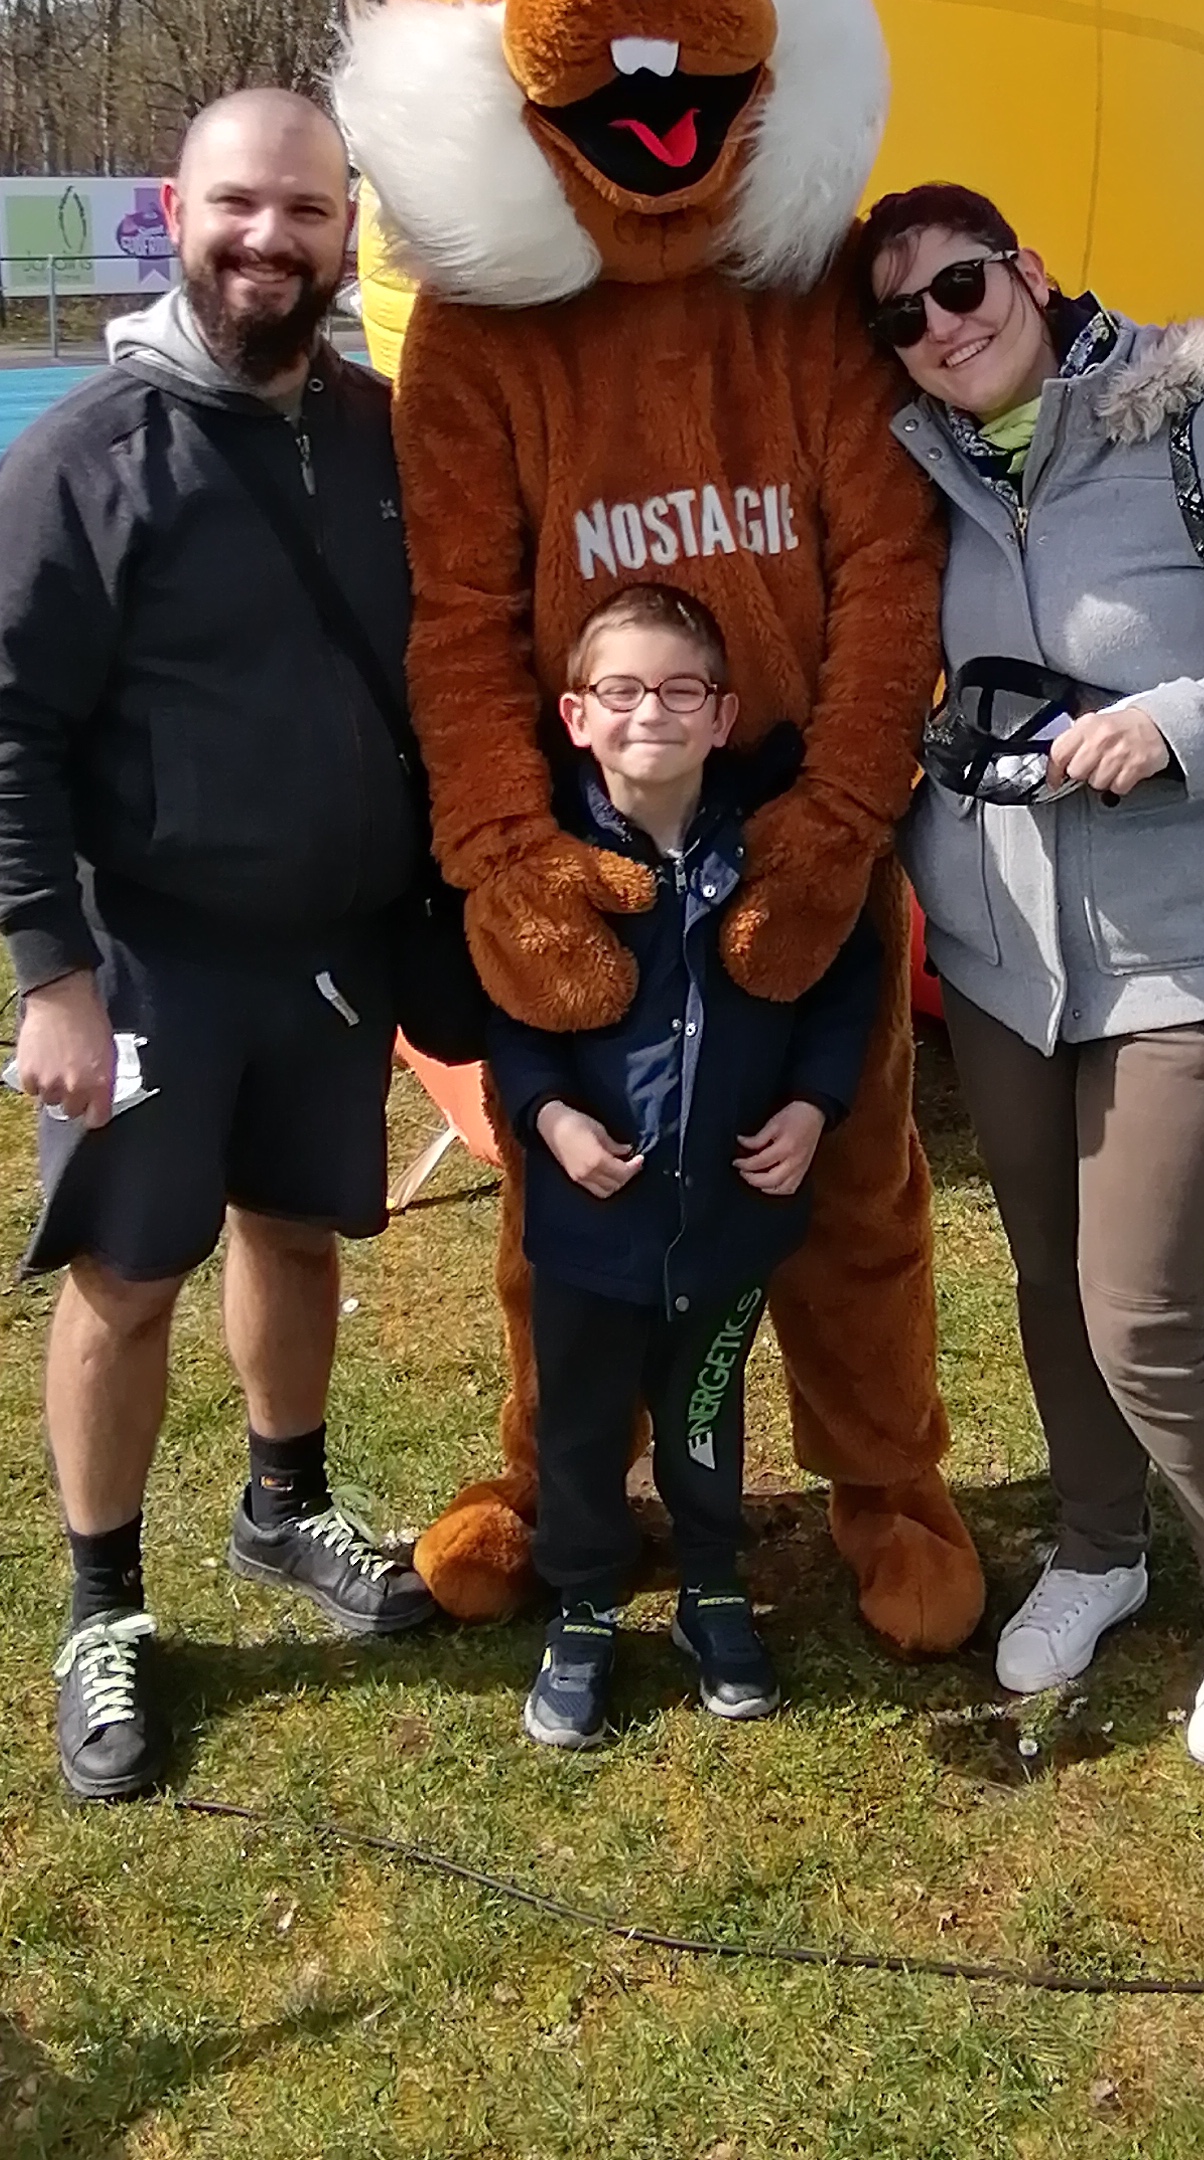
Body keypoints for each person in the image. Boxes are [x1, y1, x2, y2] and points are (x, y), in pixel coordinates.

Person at [859, 183, 1204, 1769]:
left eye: (961, 284)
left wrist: (1176, 725)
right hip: (1003, 965)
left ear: (1028, 271)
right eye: (900, 316)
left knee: (1147, 1317)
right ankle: (1101, 1547)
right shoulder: (920, 474)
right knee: (1050, 1283)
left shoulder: (1195, 428)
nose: (940, 327)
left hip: (1198, 960)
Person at [0, 87, 436, 1805]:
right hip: (147, 960)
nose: (268, 239)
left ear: (347, 226)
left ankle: (285, 1504)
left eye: (306, 209)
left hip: (332, 950)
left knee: (295, 1235)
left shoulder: (380, 432)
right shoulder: (83, 456)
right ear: (177, 211)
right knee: (128, 1274)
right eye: (239, 205)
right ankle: (104, 1605)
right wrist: (51, 976)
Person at [487, 585, 879, 1753]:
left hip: (728, 1223)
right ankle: (585, 1606)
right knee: (579, 1425)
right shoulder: (547, 864)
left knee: (705, 1414)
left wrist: (813, 1105)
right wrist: (552, 1119)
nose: (649, 711)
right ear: (575, 715)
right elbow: (516, 1008)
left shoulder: (773, 851)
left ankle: (714, 1587)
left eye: (679, 689)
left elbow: (842, 979)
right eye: (621, 689)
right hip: (587, 1233)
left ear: (722, 715)